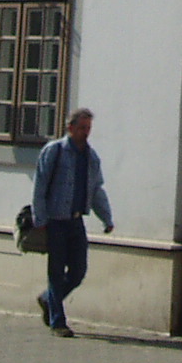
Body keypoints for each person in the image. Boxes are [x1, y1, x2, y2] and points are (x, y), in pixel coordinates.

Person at [31, 107, 112, 337]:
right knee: (56, 272)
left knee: (78, 271)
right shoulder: (54, 151)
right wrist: (40, 218)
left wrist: (106, 218)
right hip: (55, 220)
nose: (85, 132)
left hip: (76, 221)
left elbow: (96, 190)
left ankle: (47, 299)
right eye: (82, 128)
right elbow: (40, 186)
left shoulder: (91, 157)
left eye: (88, 128)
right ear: (70, 127)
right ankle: (58, 322)